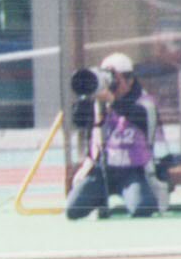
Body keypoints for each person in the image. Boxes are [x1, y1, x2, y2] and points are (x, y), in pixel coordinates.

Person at [66, 53, 166, 220]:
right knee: (73, 211)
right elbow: (79, 122)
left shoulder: (144, 102)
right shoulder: (98, 102)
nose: (111, 84)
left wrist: (112, 100)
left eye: (115, 79)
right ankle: (99, 199)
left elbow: (138, 116)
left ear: (130, 80)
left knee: (142, 209)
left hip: (133, 170)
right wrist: (86, 97)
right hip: (101, 170)